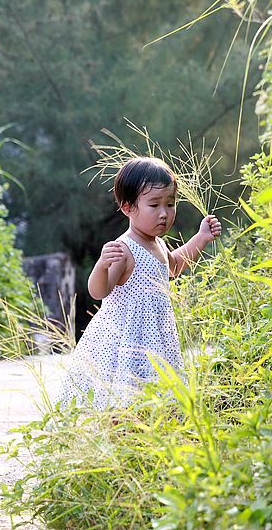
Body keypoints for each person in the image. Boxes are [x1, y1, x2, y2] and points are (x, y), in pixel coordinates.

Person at [55, 156, 222, 410]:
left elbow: (174, 266)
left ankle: (146, 439)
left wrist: (201, 238)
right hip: (126, 339)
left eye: (170, 204)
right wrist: (101, 265)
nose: (164, 213)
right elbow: (99, 291)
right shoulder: (124, 249)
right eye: (154, 205)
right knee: (124, 395)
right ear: (128, 208)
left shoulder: (157, 243)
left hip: (155, 334)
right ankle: (121, 435)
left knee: (154, 395)